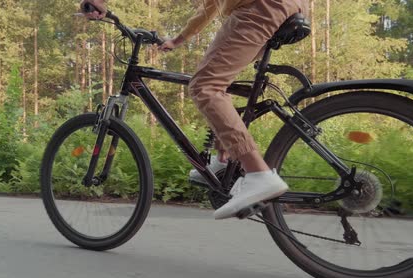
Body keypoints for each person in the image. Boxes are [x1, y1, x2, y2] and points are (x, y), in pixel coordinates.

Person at [80, 0, 308, 219]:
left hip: (261, 8)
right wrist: (179, 39)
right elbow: (210, 7)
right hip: (282, 7)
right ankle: (224, 161)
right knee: (219, 83)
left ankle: (258, 173)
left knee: (205, 86)